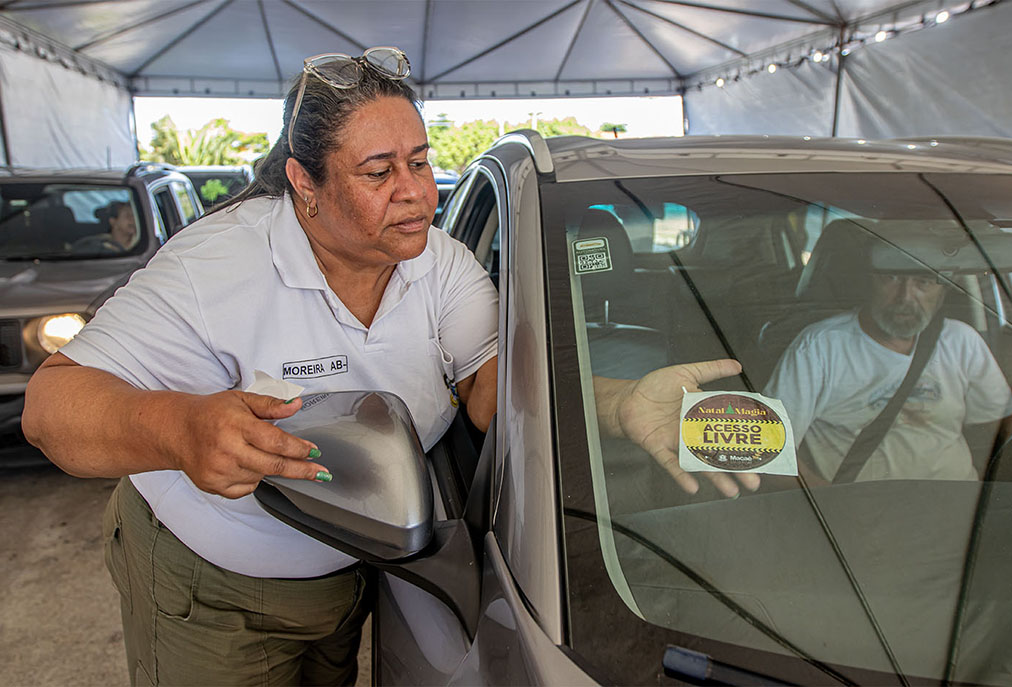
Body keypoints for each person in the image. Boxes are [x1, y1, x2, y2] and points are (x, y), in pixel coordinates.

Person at [22, 47, 751, 686]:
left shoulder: (440, 265)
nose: (415, 191)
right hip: (212, 586)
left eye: (422, 161)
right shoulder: (214, 268)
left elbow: (497, 391)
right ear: (304, 183)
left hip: (347, 573)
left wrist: (618, 402)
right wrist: (179, 427)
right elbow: (51, 406)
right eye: (379, 171)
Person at [764, 267, 1011, 484]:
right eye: (891, 278)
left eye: (923, 282)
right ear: (870, 281)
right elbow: (770, 451)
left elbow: (999, 424)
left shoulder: (962, 340)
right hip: (859, 518)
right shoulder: (819, 347)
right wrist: (827, 506)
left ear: (943, 291)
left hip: (961, 513)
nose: (905, 296)